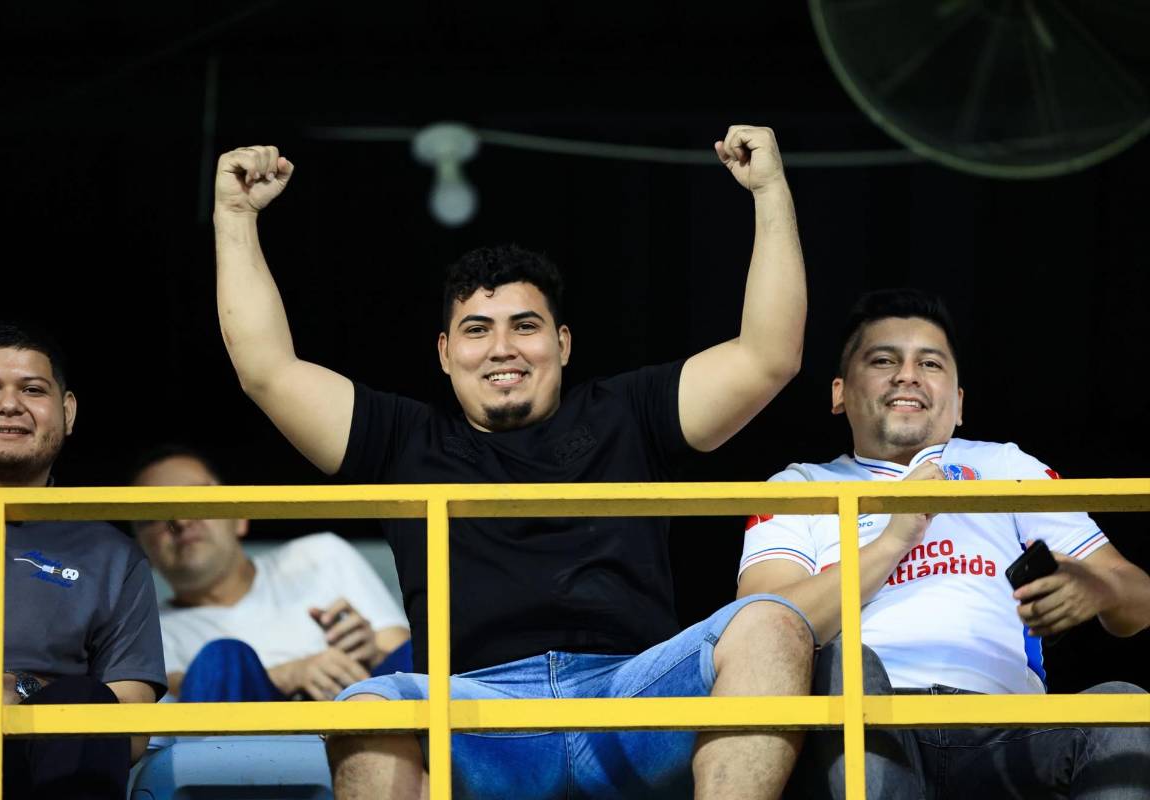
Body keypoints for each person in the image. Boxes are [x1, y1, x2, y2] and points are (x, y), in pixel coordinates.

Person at [212, 125, 811, 799]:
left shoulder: (628, 409)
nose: (502, 348)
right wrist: (234, 217)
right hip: (474, 718)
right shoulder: (401, 438)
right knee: (368, 706)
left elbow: (770, 356)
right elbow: (266, 370)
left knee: (770, 621)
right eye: (477, 329)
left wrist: (768, 190)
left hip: (630, 701)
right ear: (444, 353)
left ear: (562, 342)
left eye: (524, 326)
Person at [737, 288, 1150, 799]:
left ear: (958, 404)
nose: (907, 374)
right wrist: (894, 538)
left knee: (1122, 708)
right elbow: (758, 628)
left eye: (929, 363)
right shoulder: (800, 485)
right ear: (839, 393)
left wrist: (1098, 588)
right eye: (884, 359)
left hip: (1007, 731)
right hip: (869, 728)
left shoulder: (1006, 467)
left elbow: (1138, 600)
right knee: (848, 663)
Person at [0, 322, 166, 800]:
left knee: (84, 700)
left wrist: (22, 688)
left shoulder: (114, 556)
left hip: (39, 766)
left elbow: (130, 723)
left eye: (32, 389)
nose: (9, 405)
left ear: (67, 412)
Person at [129, 445, 410, 701]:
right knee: (222, 658)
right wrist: (290, 675)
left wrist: (371, 653)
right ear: (140, 547)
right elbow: (180, 696)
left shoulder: (319, 555)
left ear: (240, 517)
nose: (181, 520)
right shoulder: (146, 631)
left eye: (197, 499)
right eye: (157, 512)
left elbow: (406, 660)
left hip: (360, 726)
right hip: (242, 751)